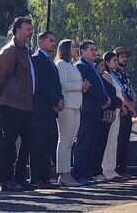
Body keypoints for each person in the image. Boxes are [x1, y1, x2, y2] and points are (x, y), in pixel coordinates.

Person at [0, 16, 36, 192]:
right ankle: (7, 180)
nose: (30, 32)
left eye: (31, 29)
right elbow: (0, 77)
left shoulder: (25, 50)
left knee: (28, 139)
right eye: (27, 29)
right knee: (10, 142)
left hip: (25, 105)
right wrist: (3, 97)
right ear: (18, 30)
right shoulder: (10, 50)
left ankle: (20, 177)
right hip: (11, 104)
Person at [72, 40, 110, 185]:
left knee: (92, 142)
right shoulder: (81, 66)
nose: (95, 52)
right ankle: (79, 173)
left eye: (95, 49)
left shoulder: (92, 67)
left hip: (95, 110)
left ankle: (87, 173)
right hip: (87, 109)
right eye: (91, 50)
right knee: (84, 141)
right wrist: (104, 98)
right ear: (82, 51)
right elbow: (91, 88)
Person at [30, 31, 64, 188]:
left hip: (51, 110)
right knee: (38, 143)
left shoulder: (50, 60)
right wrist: (55, 100)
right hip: (41, 108)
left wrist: (59, 99)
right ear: (40, 42)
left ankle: (45, 177)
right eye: (50, 40)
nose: (53, 43)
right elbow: (41, 84)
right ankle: (36, 177)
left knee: (47, 143)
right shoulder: (37, 59)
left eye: (54, 40)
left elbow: (55, 83)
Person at [54, 39, 90, 187]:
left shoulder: (71, 65)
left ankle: (67, 173)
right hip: (67, 106)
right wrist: (80, 85)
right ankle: (64, 173)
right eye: (73, 47)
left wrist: (83, 86)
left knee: (70, 142)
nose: (76, 49)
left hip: (76, 106)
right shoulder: (61, 64)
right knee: (65, 140)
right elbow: (63, 85)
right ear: (66, 49)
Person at [91, 55, 121, 182]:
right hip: (102, 113)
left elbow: (113, 93)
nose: (103, 68)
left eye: (104, 66)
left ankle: (102, 170)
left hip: (111, 111)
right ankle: (97, 171)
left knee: (107, 142)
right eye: (101, 66)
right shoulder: (100, 78)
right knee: (100, 142)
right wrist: (110, 100)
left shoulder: (104, 77)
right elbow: (106, 94)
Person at [101, 52, 127, 181]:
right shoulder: (106, 75)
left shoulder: (113, 75)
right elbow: (112, 94)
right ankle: (107, 170)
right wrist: (121, 104)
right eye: (114, 61)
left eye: (117, 61)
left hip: (117, 110)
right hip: (112, 110)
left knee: (114, 140)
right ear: (107, 62)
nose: (116, 63)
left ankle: (111, 169)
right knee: (109, 140)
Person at [113, 46, 136, 179]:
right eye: (122, 57)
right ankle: (117, 169)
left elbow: (130, 91)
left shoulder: (126, 75)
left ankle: (123, 169)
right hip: (121, 110)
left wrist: (133, 107)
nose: (125, 59)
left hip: (128, 110)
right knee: (118, 140)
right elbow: (119, 93)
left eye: (126, 57)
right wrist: (125, 105)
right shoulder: (113, 74)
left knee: (125, 141)